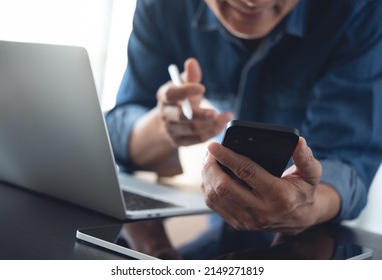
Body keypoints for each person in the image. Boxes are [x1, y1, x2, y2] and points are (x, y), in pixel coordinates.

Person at [105, 0, 382, 259]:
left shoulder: (361, 10)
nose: (251, 2)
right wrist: (163, 126)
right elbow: (116, 130)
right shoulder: (164, 7)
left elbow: (350, 157)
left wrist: (308, 205)